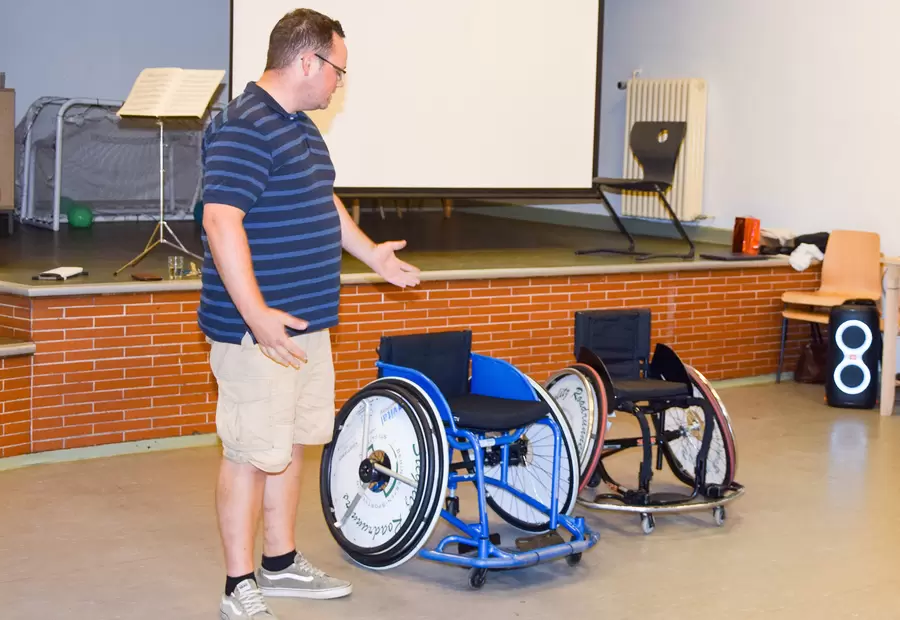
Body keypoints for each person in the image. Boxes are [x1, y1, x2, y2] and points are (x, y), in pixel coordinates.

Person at [198, 9, 420, 619]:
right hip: (257, 333)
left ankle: (280, 562)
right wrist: (257, 315)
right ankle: (238, 584)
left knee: (290, 443)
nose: (339, 84)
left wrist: (370, 252)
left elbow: (321, 198)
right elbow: (221, 220)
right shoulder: (245, 125)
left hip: (305, 324)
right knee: (248, 451)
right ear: (306, 61)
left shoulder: (297, 126)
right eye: (338, 71)